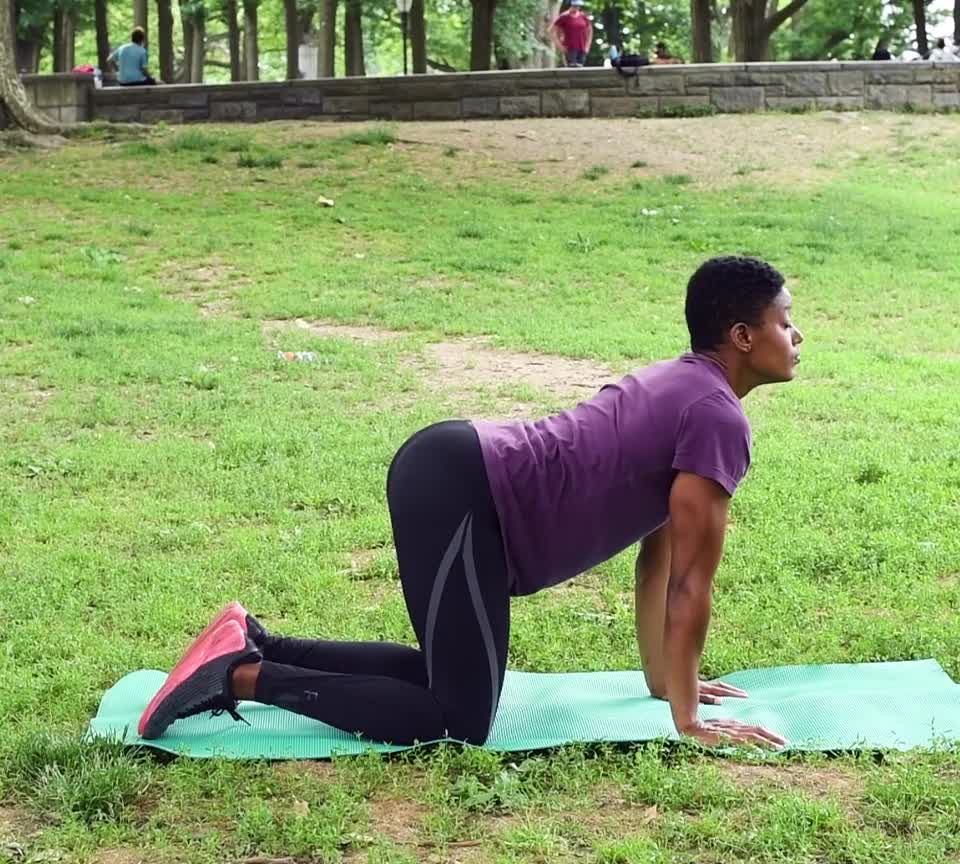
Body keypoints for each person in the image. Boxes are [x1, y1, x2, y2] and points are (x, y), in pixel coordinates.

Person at [139, 256, 802, 750]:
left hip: (457, 478)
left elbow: (657, 559)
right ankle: (242, 677)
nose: (795, 335)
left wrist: (666, 688)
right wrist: (690, 723)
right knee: (456, 721)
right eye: (785, 321)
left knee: (448, 681)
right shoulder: (715, 415)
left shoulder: (690, 393)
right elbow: (690, 587)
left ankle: (256, 643)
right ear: (743, 337)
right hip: (464, 491)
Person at [550, 0, 593, 68]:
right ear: (570, 5)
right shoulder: (563, 17)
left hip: (582, 48)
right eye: (574, 6)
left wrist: (587, 45)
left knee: (581, 69)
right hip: (570, 49)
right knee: (572, 69)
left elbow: (590, 30)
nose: (576, 8)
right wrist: (560, 46)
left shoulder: (583, 16)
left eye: (578, 6)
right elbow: (551, 31)